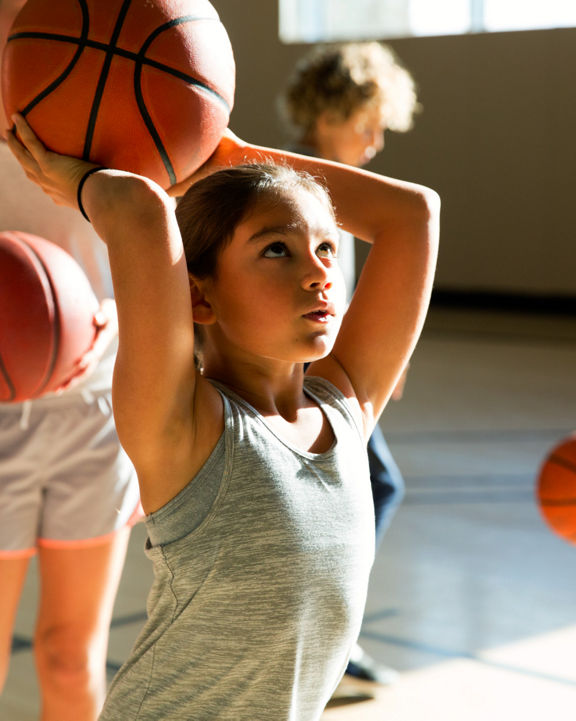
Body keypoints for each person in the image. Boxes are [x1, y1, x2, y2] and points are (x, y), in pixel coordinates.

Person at [8, 107, 439, 720]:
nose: (320, 271)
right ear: (199, 295)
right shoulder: (187, 426)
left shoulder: (347, 411)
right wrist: (82, 179)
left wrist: (237, 157)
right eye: (276, 251)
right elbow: (139, 212)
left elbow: (414, 215)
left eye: (323, 247)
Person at [0, 3, 140, 719]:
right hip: (0, 398)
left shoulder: (120, 34)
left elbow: (156, 214)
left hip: (97, 388)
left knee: (70, 654)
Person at [279, 41, 420, 684]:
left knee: (366, 490)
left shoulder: (341, 190)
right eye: (367, 123)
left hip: (331, 364)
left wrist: (380, 352)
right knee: (370, 489)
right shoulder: (295, 186)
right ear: (329, 113)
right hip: (301, 369)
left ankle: (324, 635)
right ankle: (325, 638)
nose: (375, 142)